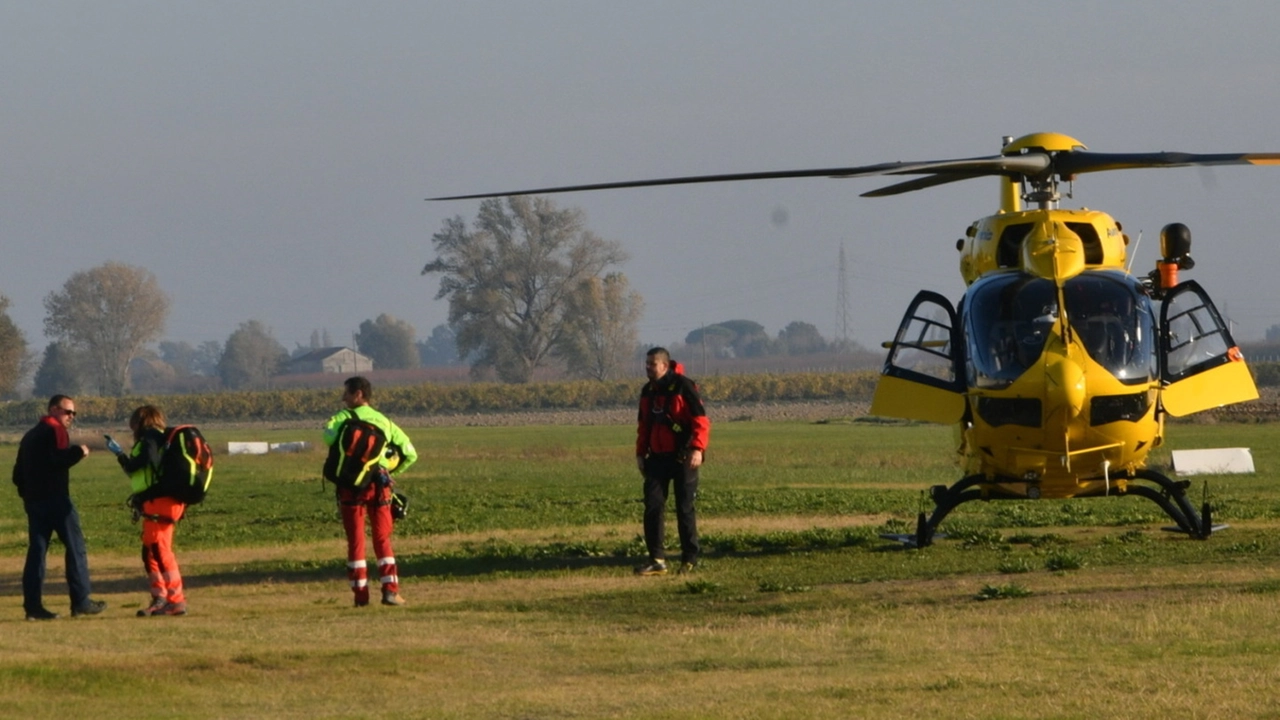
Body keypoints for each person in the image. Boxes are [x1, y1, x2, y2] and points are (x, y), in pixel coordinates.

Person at [323, 376, 418, 607]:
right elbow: (410, 453)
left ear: (358, 394)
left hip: (349, 487)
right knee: (382, 539)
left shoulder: (342, 418)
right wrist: (389, 470)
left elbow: (328, 437)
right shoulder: (384, 421)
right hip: (378, 487)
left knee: (355, 541)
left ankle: (361, 596)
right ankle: (390, 591)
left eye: (346, 393)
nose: (343, 398)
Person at [11, 395, 107, 620]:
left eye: (73, 413)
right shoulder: (55, 430)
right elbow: (57, 460)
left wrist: (29, 495)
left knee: (37, 553)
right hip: (56, 500)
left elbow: (17, 475)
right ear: (53, 409)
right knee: (76, 548)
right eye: (67, 412)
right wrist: (79, 452)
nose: (71, 417)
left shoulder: (30, 436)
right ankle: (81, 601)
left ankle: (33, 607)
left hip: (34, 502)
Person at [634, 348, 711, 576]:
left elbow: (701, 420)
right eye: (646, 363)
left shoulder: (684, 386)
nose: (647, 367)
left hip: (684, 457)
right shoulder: (647, 391)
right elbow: (644, 426)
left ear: (664, 366)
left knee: (684, 508)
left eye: (652, 364)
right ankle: (657, 559)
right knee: (653, 506)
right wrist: (640, 453)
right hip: (657, 458)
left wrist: (697, 448)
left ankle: (689, 558)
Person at [112, 405, 188, 617]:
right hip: (157, 501)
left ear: (139, 422)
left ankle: (175, 601)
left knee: (160, 551)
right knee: (150, 552)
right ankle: (160, 598)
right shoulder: (162, 438)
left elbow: (144, 463)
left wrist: (124, 458)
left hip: (160, 501)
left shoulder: (151, 438)